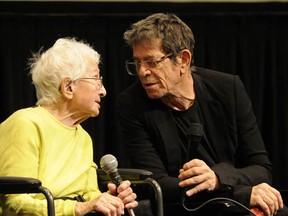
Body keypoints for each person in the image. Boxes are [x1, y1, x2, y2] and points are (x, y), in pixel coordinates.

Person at [116, 13, 287, 216]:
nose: (142, 72)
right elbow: (156, 185)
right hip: (181, 209)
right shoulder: (132, 104)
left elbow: (261, 169)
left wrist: (217, 178)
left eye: (151, 62)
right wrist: (237, 194)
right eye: (137, 63)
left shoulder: (228, 89)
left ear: (183, 60)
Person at [0, 37, 138, 216]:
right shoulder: (26, 124)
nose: (103, 91)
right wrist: (78, 208)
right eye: (96, 79)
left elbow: (89, 196)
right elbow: (14, 203)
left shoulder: (83, 137)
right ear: (68, 87)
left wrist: (109, 199)